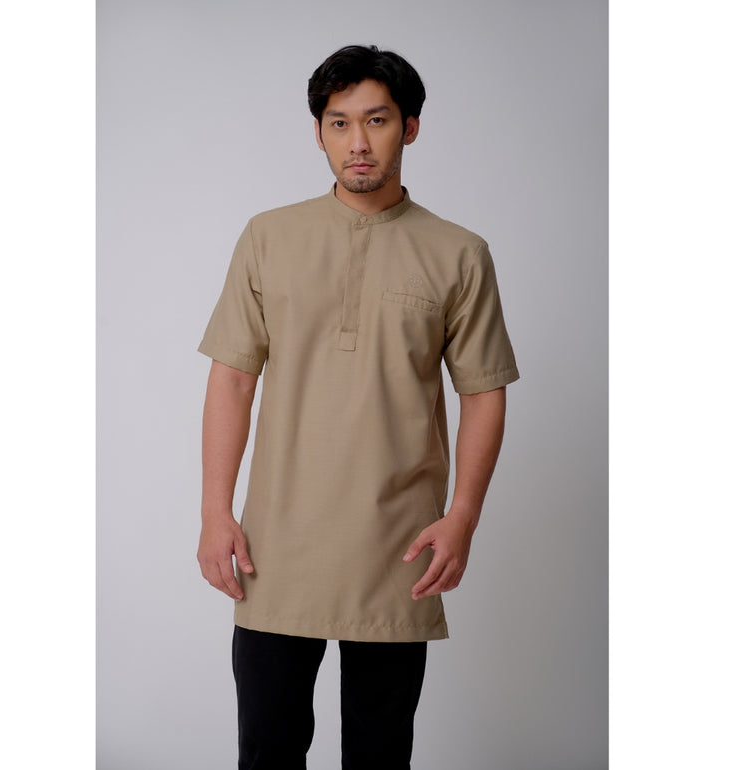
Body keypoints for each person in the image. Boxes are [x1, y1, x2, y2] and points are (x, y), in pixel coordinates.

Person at [197, 44, 519, 770]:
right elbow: (233, 380)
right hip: (276, 544)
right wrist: (216, 512)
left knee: (380, 753)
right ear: (319, 134)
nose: (358, 142)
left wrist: (463, 517)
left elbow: (483, 392)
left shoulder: (459, 253)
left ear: (410, 127)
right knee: (268, 748)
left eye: (377, 120)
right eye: (339, 123)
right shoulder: (269, 236)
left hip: (400, 545)